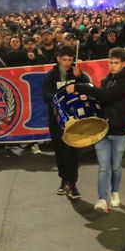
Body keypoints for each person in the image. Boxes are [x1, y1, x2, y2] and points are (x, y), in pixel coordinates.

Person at [69, 48, 125, 213]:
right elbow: (99, 95)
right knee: (104, 167)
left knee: (116, 167)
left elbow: (105, 95)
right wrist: (80, 77)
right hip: (102, 130)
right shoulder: (106, 80)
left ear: (124, 63)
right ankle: (102, 199)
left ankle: (115, 193)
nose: (113, 66)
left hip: (119, 131)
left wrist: (78, 86)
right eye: (110, 62)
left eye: (116, 63)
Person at [43, 47, 92, 199]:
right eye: (64, 59)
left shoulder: (76, 73)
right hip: (57, 119)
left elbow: (89, 88)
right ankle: (64, 180)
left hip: (75, 119)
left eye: (70, 60)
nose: (67, 63)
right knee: (60, 151)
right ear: (58, 59)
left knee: (73, 151)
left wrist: (81, 76)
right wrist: (60, 98)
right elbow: (46, 95)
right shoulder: (51, 75)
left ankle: (72, 183)